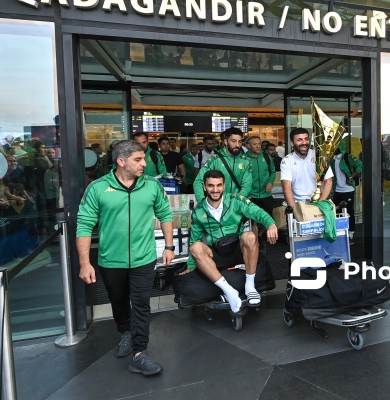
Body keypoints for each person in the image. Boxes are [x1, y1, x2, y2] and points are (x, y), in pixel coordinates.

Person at [76, 140, 174, 376]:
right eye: (138, 160)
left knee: (141, 303)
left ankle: (140, 353)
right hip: (111, 260)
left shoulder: (151, 186)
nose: (144, 164)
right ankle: (126, 332)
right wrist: (84, 262)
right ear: (121, 161)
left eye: (144, 159)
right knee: (119, 301)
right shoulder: (98, 188)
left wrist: (169, 246)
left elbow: (165, 214)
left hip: (144, 257)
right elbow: (84, 225)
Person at [182, 170, 278, 312]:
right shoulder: (198, 211)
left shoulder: (235, 200)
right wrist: (190, 265)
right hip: (216, 253)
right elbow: (194, 239)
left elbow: (257, 212)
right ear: (204, 187)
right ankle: (229, 291)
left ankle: (250, 286)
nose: (215, 190)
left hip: (236, 249)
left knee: (250, 236)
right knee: (196, 247)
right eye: (211, 186)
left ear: (224, 186)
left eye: (219, 185)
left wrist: (271, 224)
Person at [193, 127, 252, 200]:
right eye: (233, 141)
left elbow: (247, 185)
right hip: (217, 204)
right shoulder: (215, 160)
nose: (237, 145)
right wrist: (201, 201)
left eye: (239, 141)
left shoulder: (246, 161)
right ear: (226, 141)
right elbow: (199, 181)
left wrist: (236, 202)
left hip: (237, 205)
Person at [281, 127, 334, 206]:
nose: (304, 142)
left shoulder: (319, 156)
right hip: (297, 203)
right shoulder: (287, 160)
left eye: (306, 139)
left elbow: (328, 181)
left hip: (319, 201)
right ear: (292, 143)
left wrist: (320, 204)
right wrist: (294, 209)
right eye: (299, 140)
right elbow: (286, 186)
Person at [332, 145, 362, 244]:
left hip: (348, 190)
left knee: (349, 212)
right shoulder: (331, 159)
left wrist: (351, 177)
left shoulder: (347, 157)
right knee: (336, 212)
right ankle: (340, 234)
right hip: (336, 190)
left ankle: (350, 235)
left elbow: (360, 165)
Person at [246, 136, 276, 234]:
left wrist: (270, 182)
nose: (258, 146)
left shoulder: (266, 157)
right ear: (248, 146)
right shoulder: (244, 158)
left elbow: (273, 171)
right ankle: (255, 237)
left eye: (259, 143)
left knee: (268, 215)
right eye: (255, 144)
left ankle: (260, 235)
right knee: (253, 218)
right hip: (251, 194)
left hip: (265, 194)